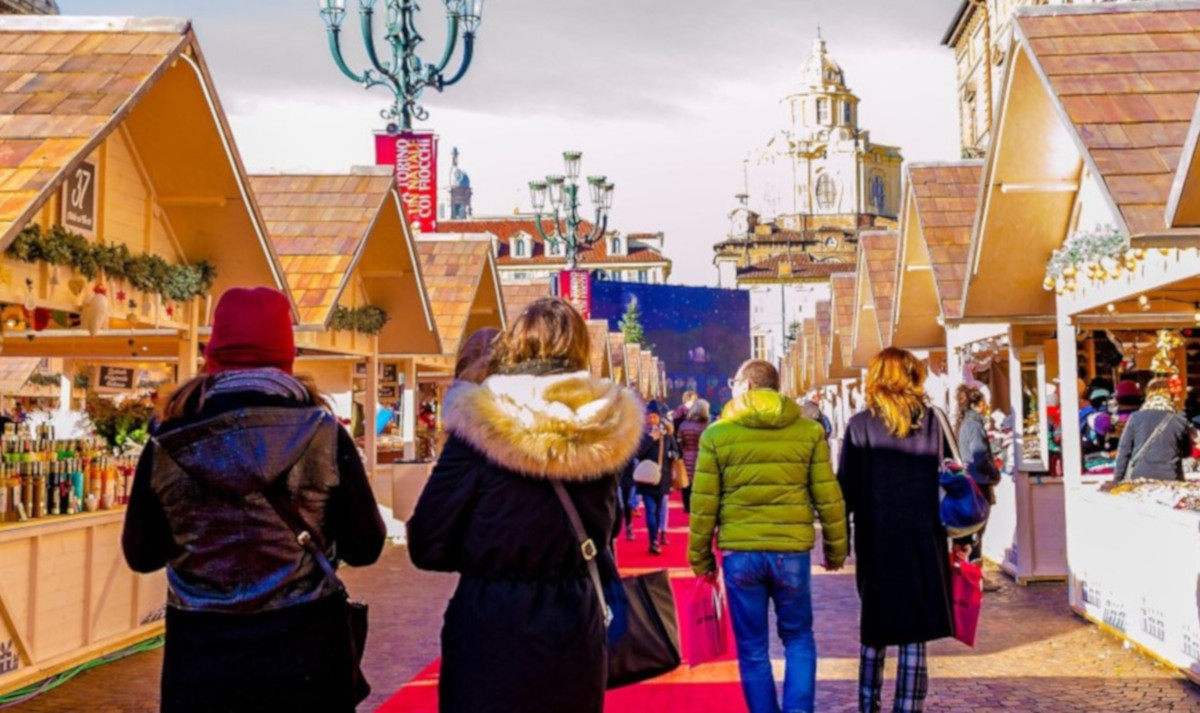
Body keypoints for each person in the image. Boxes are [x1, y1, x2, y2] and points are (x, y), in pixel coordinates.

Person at [122, 287, 386, 713]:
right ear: (287, 353)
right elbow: (367, 545)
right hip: (307, 648)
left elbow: (142, 553)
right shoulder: (324, 433)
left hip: (202, 652)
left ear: (215, 351)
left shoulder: (167, 441)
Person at [407, 297, 643, 713]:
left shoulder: (480, 419)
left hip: (490, 620)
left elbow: (427, 541)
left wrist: (487, 551)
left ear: (517, 345)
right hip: (575, 620)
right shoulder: (607, 422)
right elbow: (609, 527)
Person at [689, 359, 848, 713]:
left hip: (740, 553)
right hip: (790, 552)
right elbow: (828, 495)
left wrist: (700, 558)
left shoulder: (717, 435)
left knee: (753, 650)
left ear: (746, 387)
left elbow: (703, 505)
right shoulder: (807, 432)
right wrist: (836, 549)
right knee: (799, 638)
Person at [837, 348, 956, 713]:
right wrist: (964, 538)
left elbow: (847, 491)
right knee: (915, 630)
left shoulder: (860, 425)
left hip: (878, 538)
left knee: (875, 624)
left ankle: (868, 704)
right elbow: (956, 479)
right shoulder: (933, 421)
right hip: (924, 536)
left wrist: (837, 542)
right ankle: (908, 707)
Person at [955, 386, 1003, 592]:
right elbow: (979, 455)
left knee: (973, 530)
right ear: (976, 404)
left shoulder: (966, 423)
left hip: (972, 481)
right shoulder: (973, 425)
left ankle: (972, 575)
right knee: (976, 531)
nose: (985, 407)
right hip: (979, 482)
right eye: (983, 403)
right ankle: (975, 577)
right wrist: (994, 473)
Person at [1113, 377, 1191, 482]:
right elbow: (1186, 452)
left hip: (1140, 478)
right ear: (1170, 395)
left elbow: (1124, 451)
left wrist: (1117, 480)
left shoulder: (1136, 418)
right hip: (1170, 478)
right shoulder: (1179, 419)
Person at [634, 405, 680, 554]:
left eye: (654, 416)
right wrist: (650, 439)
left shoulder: (667, 434)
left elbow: (676, 452)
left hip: (662, 478)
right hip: (646, 478)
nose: (652, 419)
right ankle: (653, 541)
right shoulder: (642, 435)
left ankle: (660, 533)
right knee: (650, 510)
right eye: (649, 416)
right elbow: (638, 454)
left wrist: (672, 454)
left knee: (659, 510)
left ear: (660, 417)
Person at [675, 398, 710, 515]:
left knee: (686, 482)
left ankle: (687, 505)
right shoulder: (707, 426)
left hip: (686, 455)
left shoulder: (684, 425)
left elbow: (679, 441)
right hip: (703, 456)